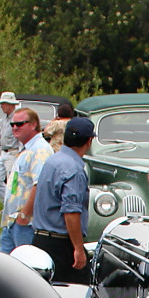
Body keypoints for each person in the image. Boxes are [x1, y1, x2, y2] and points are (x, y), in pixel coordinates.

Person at [32, 117, 93, 283]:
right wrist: (79, 249)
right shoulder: (74, 169)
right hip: (61, 245)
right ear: (89, 141)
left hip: (40, 238)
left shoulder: (52, 161)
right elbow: (71, 212)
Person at [0, 108, 53, 253]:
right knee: (5, 270)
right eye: (13, 125)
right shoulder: (26, 149)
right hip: (12, 222)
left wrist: (24, 215)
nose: (15, 128)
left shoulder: (40, 150)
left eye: (20, 124)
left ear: (34, 124)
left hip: (27, 225)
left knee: (24, 270)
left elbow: (40, 185)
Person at [0, 91, 23, 201]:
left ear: (10, 104)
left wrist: (20, 154)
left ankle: (13, 205)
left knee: (12, 181)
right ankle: (7, 203)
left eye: (3, 103)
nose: (1, 106)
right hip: (3, 152)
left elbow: (21, 138)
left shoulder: (17, 119)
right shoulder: (3, 119)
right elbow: (3, 139)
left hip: (13, 153)